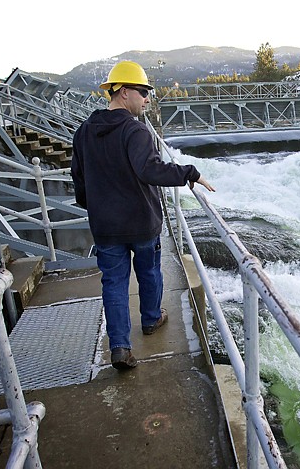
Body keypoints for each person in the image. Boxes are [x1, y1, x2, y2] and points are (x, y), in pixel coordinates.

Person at [71, 60, 215, 370]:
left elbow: (79, 179)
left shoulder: (84, 132)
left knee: (113, 283)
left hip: (106, 226)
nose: (147, 98)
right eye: (143, 91)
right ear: (123, 92)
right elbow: (149, 170)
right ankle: (151, 319)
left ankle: (120, 347)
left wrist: (93, 206)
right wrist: (190, 173)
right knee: (149, 272)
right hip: (141, 222)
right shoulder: (134, 130)